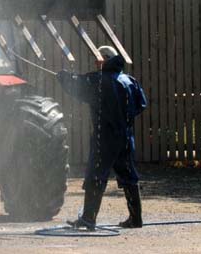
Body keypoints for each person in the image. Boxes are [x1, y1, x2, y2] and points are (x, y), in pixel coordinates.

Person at [56, 45, 147, 230]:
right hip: (126, 137)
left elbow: (77, 86)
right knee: (129, 175)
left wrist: (63, 77)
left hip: (104, 138)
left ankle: (89, 219)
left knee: (95, 175)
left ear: (106, 59)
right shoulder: (130, 81)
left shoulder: (97, 80)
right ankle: (136, 219)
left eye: (99, 58)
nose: (96, 62)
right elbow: (141, 104)